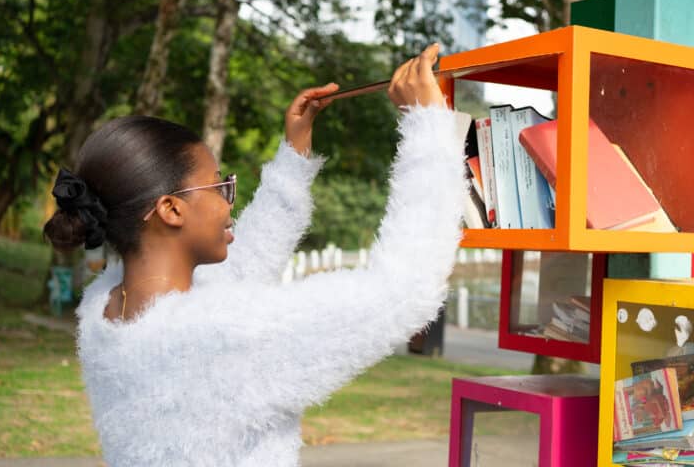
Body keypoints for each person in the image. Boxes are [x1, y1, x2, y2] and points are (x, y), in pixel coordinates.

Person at [43, 43, 465, 466]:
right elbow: (404, 291)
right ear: (171, 209)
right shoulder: (220, 335)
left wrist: (294, 154)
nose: (229, 202)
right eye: (218, 186)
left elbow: (243, 266)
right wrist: (427, 125)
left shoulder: (106, 308)